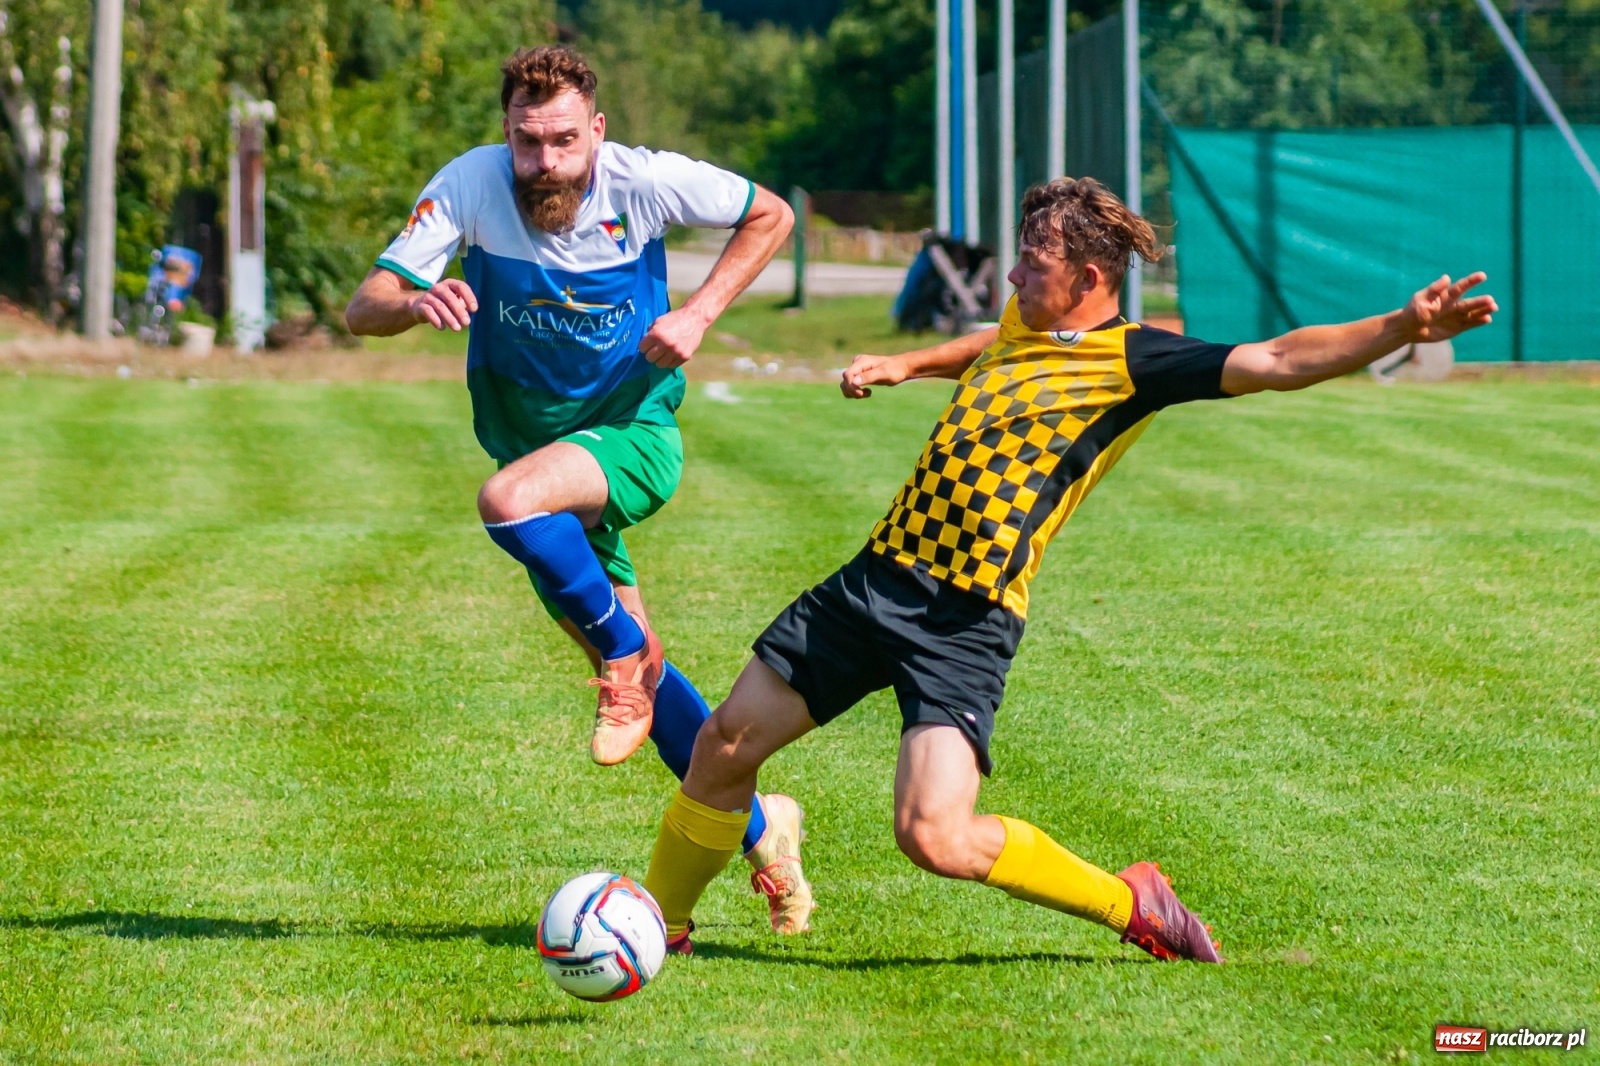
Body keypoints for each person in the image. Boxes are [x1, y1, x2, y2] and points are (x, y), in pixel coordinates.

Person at [641, 176, 1496, 958]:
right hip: (877, 579)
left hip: (963, 621)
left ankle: (1132, 903)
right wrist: (907, 362)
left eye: (1033, 264)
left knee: (935, 836)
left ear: (1089, 277)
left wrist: (1401, 328)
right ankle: (657, 926)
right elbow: (992, 341)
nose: (1013, 278)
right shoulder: (1029, 319)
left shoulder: (1136, 361)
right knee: (723, 746)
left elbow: (1277, 360)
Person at [343, 45, 814, 935]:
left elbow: (772, 214)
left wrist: (700, 312)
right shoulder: (472, 184)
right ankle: (766, 832)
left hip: (630, 435)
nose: (545, 161)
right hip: (545, 469)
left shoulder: (645, 182)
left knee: (507, 503)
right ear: (506, 133)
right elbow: (362, 307)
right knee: (648, 678)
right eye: (528, 142)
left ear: (596, 129)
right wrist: (413, 302)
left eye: (564, 140)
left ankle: (620, 660)